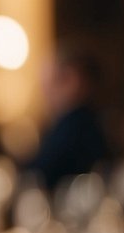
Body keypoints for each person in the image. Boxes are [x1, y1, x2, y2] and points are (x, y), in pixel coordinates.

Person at [27, 43, 112, 191]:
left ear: (74, 79)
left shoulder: (76, 124)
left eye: (54, 80)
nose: (46, 92)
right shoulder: (96, 122)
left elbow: (40, 173)